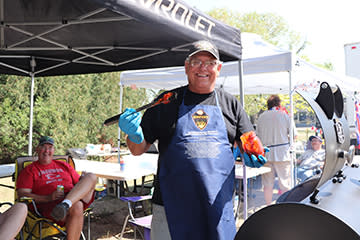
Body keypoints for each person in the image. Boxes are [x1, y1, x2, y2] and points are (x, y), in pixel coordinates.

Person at [118, 40, 267, 240]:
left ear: (219, 68)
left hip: (217, 206)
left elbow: (248, 142)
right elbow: (137, 149)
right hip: (170, 206)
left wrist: (253, 154)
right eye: (197, 62)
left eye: (210, 63)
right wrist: (135, 135)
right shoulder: (166, 101)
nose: (203, 68)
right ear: (187, 66)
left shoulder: (231, 104)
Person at [16, 136, 97, 240]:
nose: (46, 151)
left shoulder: (63, 165)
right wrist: (48, 198)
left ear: (53, 150)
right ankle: (65, 206)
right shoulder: (29, 170)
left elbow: (79, 184)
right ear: (37, 149)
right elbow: (22, 194)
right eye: (43, 147)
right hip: (52, 207)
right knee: (77, 206)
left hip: (71, 198)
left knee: (91, 176)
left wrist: (82, 179)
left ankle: (65, 204)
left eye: (50, 148)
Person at [256, 95, 292, 205]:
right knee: (285, 183)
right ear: (279, 104)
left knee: (267, 184)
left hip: (266, 154)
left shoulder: (261, 117)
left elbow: (257, 136)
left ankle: (268, 205)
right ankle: (285, 206)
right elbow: (293, 135)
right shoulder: (285, 116)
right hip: (282, 154)